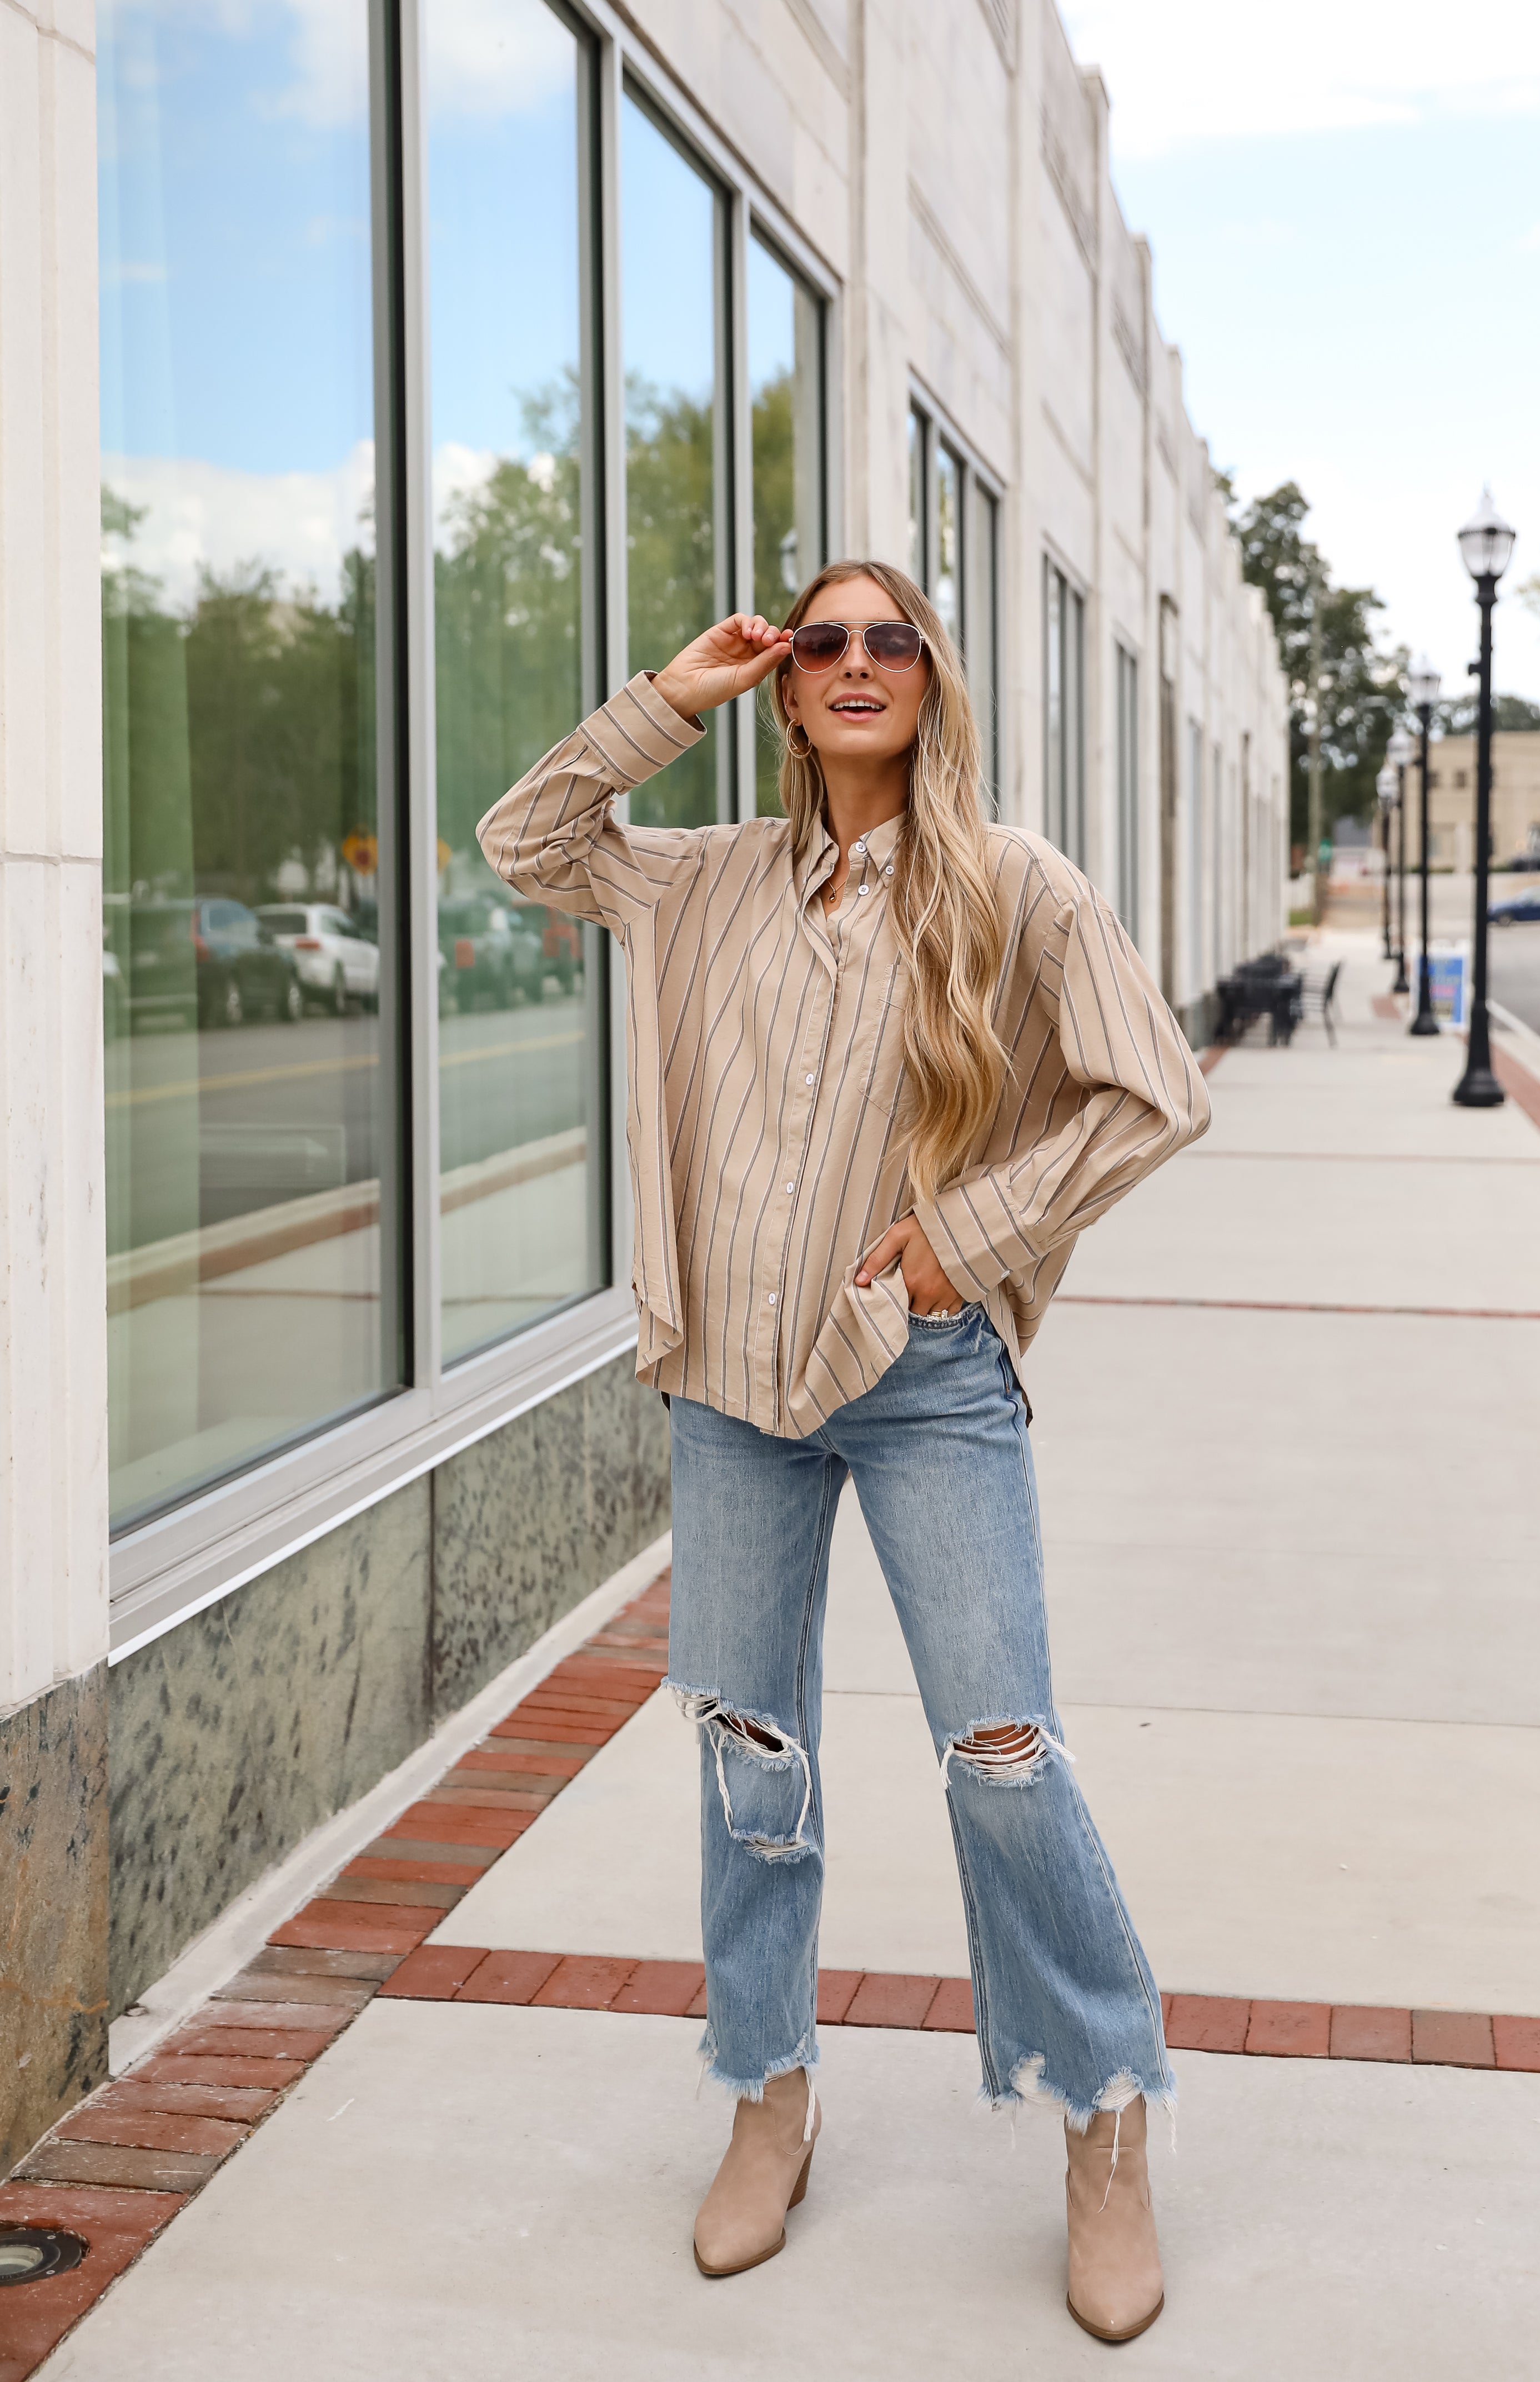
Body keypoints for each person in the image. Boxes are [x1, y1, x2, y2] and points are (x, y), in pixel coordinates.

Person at [478, 560, 1209, 2342]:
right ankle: (769, 2092)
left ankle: (1101, 2112)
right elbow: (524, 839)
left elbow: (1154, 1092)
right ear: (789, 685)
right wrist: (675, 690)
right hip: (730, 1388)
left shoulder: (1013, 888)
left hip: (926, 1379)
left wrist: (975, 1234)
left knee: (1002, 1752)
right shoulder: (703, 877)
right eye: (823, 643)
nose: (857, 663)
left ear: (931, 682)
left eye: (892, 640)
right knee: (750, 1749)